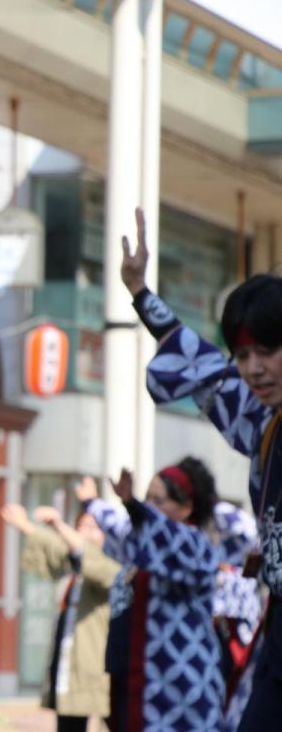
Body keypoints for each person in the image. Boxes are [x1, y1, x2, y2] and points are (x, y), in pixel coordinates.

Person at [120, 207, 282, 729]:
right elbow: (205, 367)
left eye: (268, 350)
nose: (253, 367)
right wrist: (142, 295)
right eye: (243, 353)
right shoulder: (265, 423)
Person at [77, 462, 223, 732]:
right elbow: (121, 533)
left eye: (159, 500)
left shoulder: (195, 545)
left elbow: (161, 536)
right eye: (148, 498)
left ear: (187, 507)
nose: (151, 507)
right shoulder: (145, 543)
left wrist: (130, 504)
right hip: (137, 676)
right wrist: (97, 504)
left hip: (181, 683)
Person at [1, 502, 118, 732]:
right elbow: (57, 548)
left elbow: (86, 555)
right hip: (70, 662)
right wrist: (25, 526)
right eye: (82, 526)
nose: (87, 532)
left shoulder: (111, 565)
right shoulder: (73, 568)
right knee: (69, 723)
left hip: (99, 667)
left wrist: (56, 523)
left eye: (94, 526)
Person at [212, 502, 263, 731]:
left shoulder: (246, 540)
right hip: (222, 629)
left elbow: (231, 517)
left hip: (237, 630)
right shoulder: (221, 562)